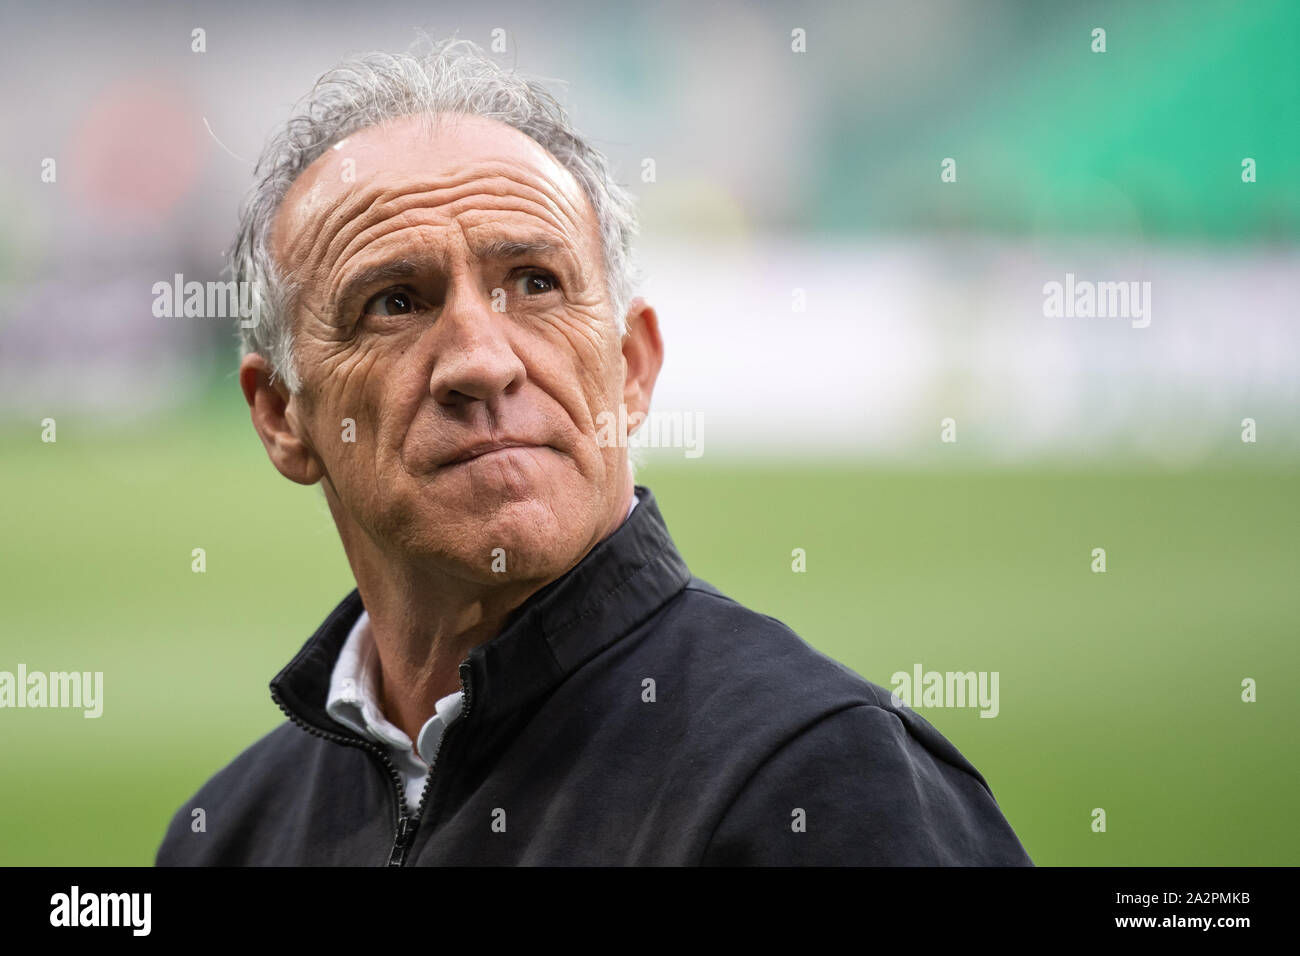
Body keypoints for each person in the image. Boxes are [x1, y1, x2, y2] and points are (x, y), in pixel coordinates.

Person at [155, 37, 1032, 866]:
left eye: (536, 284)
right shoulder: (229, 835)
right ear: (280, 414)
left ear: (631, 369)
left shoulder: (819, 780)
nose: (483, 361)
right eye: (394, 302)